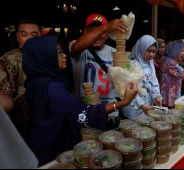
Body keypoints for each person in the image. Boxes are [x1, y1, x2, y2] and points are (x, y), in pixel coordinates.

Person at [22, 36, 138, 166]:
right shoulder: (51, 87)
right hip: (50, 144)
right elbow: (83, 113)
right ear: (44, 57)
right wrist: (124, 102)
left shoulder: (37, 79)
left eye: (62, 51)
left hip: (42, 138)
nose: (64, 55)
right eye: (59, 53)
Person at [70, 14, 128, 117]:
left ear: (107, 34)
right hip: (83, 111)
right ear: (85, 32)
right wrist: (104, 27)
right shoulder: (79, 48)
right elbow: (76, 48)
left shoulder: (115, 53)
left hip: (109, 112)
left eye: (103, 32)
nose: (98, 35)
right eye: (93, 30)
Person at [0, 19, 42, 137]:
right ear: (18, 37)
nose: (29, 39)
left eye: (34, 35)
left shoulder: (51, 56)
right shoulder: (9, 60)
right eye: (24, 35)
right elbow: (5, 100)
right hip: (22, 127)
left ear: (40, 36)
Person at [121, 35, 162, 119]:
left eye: (154, 52)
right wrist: (141, 104)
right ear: (141, 49)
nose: (151, 54)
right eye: (149, 51)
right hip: (133, 105)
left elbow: (154, 82)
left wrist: (156, 97)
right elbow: (129, 89)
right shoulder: (131, 64)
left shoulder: (150, 63)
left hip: (146, 106)